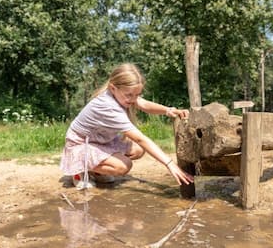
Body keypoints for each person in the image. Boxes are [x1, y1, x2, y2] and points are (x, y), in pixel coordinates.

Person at [59, 63, 194, 190]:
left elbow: (144, 104)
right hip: (80, 144)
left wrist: (168, 110)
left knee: (138, 150)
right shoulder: (108, 107)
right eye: (129, 95)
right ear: (113, 88)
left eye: (136, 95)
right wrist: (169, 164)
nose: (133, 99)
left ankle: (97, 172)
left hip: (100, 141)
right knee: (123, 166)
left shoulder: (121, 95)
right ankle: (80, 170)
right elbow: (140, 138)